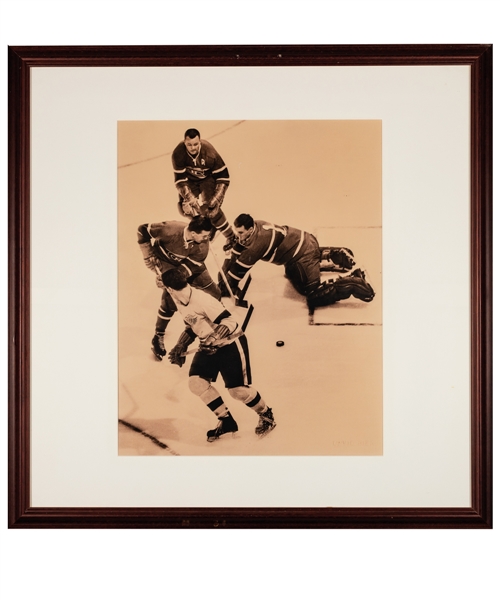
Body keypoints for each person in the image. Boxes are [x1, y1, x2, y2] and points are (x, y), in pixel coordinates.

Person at [162, 268, 276, 442]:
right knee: (197, 383)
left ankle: (266, 414)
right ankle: (227, 421)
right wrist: (181, 344)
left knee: (237, 391)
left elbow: (230, 322)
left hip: (230, 343)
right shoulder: (178, 299)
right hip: (208, 345)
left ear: (169, 288)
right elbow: (192, 324)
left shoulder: (203, 300)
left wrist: (214, 337)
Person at [222, 213, 375, 310]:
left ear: (249, 230)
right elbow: (239, 247)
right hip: (305, 241)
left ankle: (354, 283)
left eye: (240, 233)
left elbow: (238, 271)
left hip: (302, 254)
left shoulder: (257, 245)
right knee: (291, 271)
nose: (238, 236)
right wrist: (232, 252)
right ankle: (334, 254)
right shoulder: (257, 224)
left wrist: (225, 285)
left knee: (312, 293)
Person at [137, 215, 221, 360]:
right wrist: (147, 254)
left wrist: (169, 279)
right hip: (164, 262)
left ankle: (215, 323)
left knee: (215, 293)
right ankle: (158, 335)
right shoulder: (169, 229)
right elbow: (142, 230)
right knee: (171, 300)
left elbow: (189, 267)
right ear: (193, 233)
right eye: (205, 235)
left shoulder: (202, 247)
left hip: (187, 265)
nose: (207, 239)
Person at [172, 128, 236, 250]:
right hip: (189, 181)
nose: (193, 148)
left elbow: (223, 177)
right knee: (184, 210)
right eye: (189, 144)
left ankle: (231, 236)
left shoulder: (210, 153)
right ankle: (208, 228)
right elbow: (179, 180)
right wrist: (189, 198)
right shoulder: (178, 153)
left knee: (211, 210)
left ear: (200, 142)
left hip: (208, 179)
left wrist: (216, 199)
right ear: (184, 142)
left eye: (196, 144)